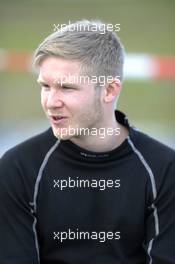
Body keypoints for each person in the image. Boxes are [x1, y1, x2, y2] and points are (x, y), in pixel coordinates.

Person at [0, 20, 175, 264]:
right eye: (45, 86)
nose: (51, 102)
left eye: (66, 87)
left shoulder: (164, 170)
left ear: (109, 90)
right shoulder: (17, 168)